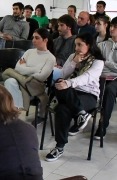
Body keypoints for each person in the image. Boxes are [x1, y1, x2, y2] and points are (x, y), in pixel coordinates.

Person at [45, 33, 105, 162]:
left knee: (63, 109)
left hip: (88, 94)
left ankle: (59, 147)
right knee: (59, 83)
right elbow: (63, 73)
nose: (76, 48)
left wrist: (69, 83)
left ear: (89, 45)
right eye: (76, 44)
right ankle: (81, 115)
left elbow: (88, 77)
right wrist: (73, 63)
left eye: (80, 45)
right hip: (70, 92)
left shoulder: (98, 61)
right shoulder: (73, 56)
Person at [2, 28, 56, 126]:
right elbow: (17, 68)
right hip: (23, 80)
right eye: (33, 38)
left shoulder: (50, 58)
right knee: (10, 81)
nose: (33, 40)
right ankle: (16, 111)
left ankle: (14, 112)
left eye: (37, 38)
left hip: (35, 85)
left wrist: (25, 68)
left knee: (12, 77)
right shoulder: (29, 52)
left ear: (45, 40)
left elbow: (41, 77)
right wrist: (36, 69)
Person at [52, 14, 77, 81]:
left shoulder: (76, 43)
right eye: (59, 25)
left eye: (62, 25)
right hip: (52, 66)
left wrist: (59, 63)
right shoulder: (56, 41)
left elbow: (74, 60)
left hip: (66, 70)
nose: (58, 28)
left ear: (69, 27)